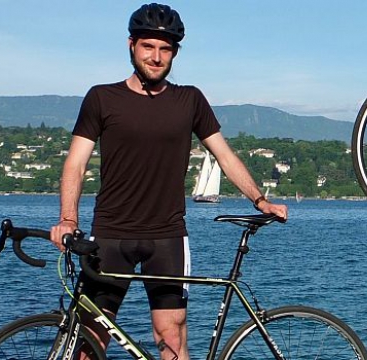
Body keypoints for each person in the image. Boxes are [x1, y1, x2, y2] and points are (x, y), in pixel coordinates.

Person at [48, 3, 288, 359]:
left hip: (168, 236)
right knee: (90, 343)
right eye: (149, 46)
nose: (156, 57)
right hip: (111, 234)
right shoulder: (102, 97)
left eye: (166, 49)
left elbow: (224, 155)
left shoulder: (189, 99)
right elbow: (75, 163)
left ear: (174, 53)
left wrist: (259, 200)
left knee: (171, 340)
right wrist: (69, 218)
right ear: (132, 45)